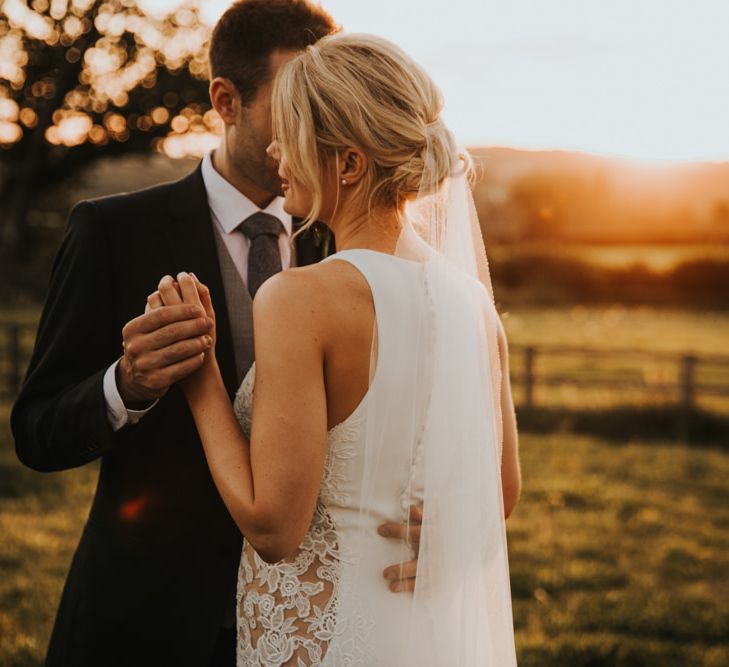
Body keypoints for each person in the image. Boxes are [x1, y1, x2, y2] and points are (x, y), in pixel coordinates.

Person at [11, 3, 419, 665]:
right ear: (226, 101)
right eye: (298, 102)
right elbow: (36, 430)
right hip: (146, 616)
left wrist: (450, 523)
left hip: (316, 621)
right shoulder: (114, 232)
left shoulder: (353, 246)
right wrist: (128, 384)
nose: (316, 123)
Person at [152, 32, 522, 665]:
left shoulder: (300, 297)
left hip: (324, 640)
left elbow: (274, 527)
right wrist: (444, 546)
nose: (274, 151)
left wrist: (202, 379)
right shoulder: (474, 304)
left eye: (289, 135)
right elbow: (502, 490)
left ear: (348, 165)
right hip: (423, 634)